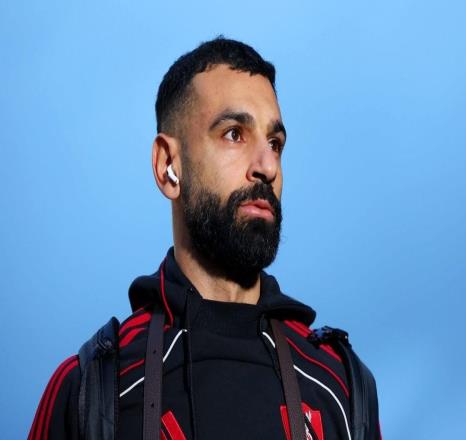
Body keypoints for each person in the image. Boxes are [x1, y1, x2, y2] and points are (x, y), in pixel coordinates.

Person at [29, 37, 380, 440]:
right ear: (168, 166)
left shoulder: (340, 383)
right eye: (234, 134)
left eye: (275, 143)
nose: (267, 166)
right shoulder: (93, 389)